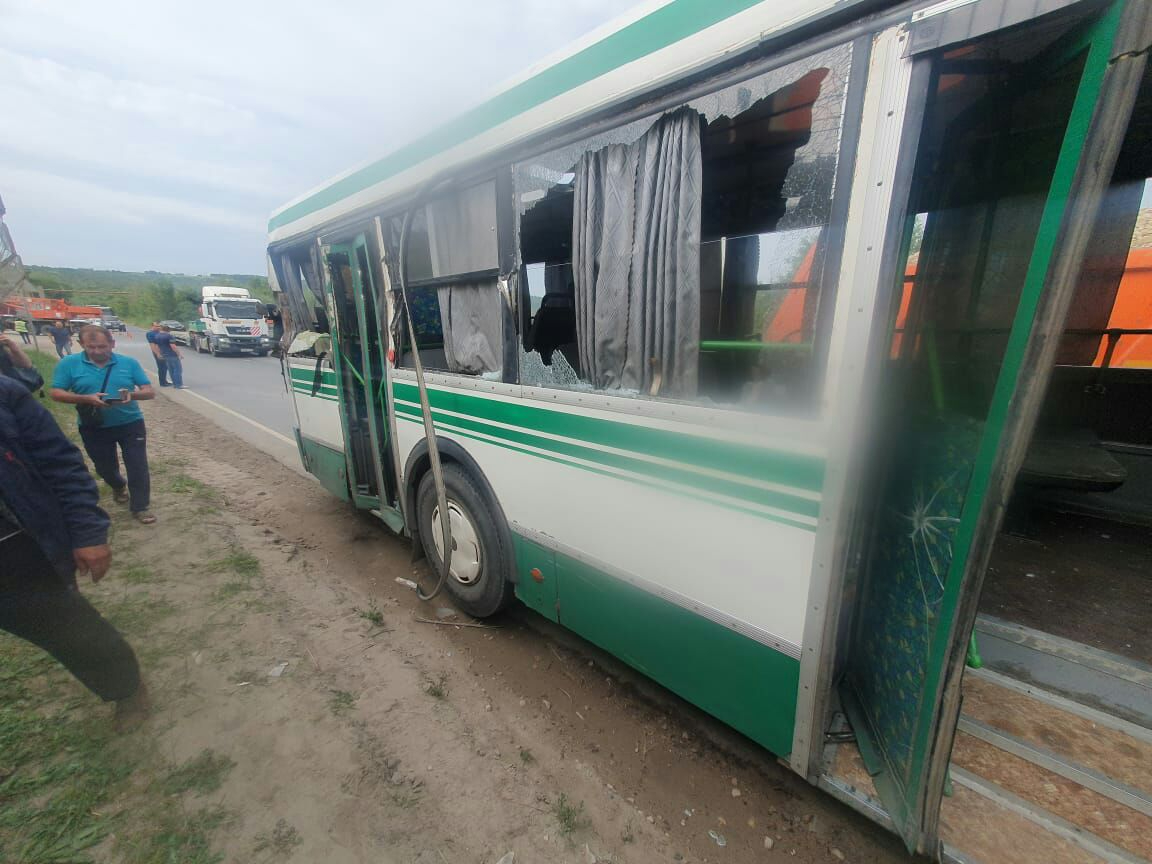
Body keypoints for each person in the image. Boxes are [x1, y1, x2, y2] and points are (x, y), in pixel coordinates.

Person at [0, 375, 146, 726]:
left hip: (16, 547)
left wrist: (87, 533)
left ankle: (125, 688)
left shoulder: (6, 393)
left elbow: (60, 464)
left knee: (67, 628)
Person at [50, 325, 158, 524]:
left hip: (130, 423)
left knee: (138, 465)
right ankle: (118, 485)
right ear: (81, 344)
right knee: (105, 467)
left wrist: (132, 394)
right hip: (93, 425)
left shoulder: (128, 363)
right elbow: (56, 393)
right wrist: (85, 398)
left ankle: (141, 506)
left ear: (112, 344)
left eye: (102, 347)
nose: (98, 351)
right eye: (91, 347)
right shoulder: (69, 364)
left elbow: (149, 391)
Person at [145, 322, 169, 387]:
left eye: (159, 326)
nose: (158, 327)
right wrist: (158, 354)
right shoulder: (150, 334)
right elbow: (152, 345)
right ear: (152, 326)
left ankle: (164, 381)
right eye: (156, 326)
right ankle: (162, 383)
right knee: (161, 367)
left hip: (163, 351)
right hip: (157, 352)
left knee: (165, 367)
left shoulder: (159, 332)